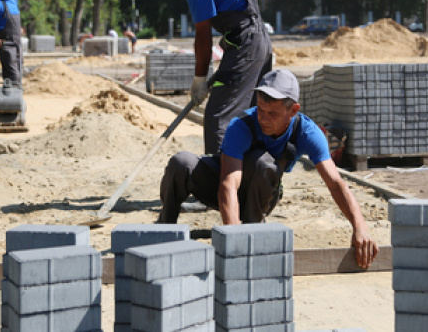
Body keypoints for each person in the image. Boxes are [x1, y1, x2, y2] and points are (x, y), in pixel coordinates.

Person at [158, 69, 378, 269]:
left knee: (261, 162)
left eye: (272, 113)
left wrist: (360, 227)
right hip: (223, 189)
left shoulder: (308, 132)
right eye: (260, 109)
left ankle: (253, 230)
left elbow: (336, 183)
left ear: (293, 110)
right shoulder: (241, 125)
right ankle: (163, 231)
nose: (263, 118)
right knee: (181, 162)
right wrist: (233, 239)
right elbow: (228, 184)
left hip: (262, 193)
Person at [147, 0, 272, 154]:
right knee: (255, 117)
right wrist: (251, 28)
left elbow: (202, 36)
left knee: (218, 119)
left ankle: (217, 176)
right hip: (259, 40)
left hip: (246, 46)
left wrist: (199, 80)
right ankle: (252, 174)